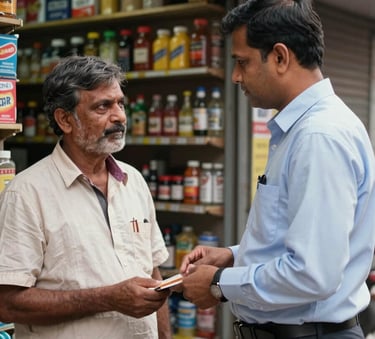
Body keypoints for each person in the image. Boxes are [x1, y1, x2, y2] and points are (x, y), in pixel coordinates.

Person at [178, 1, 375, 338]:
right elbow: (294, 240)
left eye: (242, 62)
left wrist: (217, 284)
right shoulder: (300, 130)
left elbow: (312, 273)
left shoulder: (318, 136)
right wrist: (231, 256)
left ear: (281, 57)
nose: (236, 76)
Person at [0, 56, 172, 339]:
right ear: (65, 120)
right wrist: (108, 298)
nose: (119, 116)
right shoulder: (27, 193)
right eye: (102, 106)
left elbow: (153, 277)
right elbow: (7, 303)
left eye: (120, 103)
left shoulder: (134, 182)